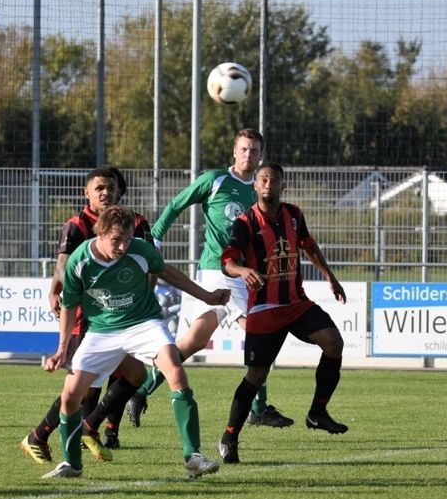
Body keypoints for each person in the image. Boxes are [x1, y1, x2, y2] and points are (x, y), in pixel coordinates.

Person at [39, 205, 227, 479]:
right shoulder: (80, 260)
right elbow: (69, 306)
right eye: (116, 239)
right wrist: (61, 350)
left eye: (127, 238)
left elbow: (168, 272)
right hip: (102, 331)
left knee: (175, 370)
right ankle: (72, 464)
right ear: (100, 234)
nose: (123, 245)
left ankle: (193, 456)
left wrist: (207, 296)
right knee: (70, 394)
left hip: (144, 323)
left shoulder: (139, 249)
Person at [127, 128, 293, 429]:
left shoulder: (260, 190)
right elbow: (176, 205)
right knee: (260, 331)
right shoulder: (214, 180)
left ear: (261, 155)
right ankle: (259, 407)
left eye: (254, 150)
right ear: (234, 151)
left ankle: (139, 392)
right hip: (217, 272)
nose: (248, 155)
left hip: (245, 275)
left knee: (193, 341)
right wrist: (155, 242)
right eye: (244, 149)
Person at [215, 162, 349, 464]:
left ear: (282, 186)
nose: (268, 185)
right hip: (264, 309)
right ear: (256, 186)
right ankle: (230, 436)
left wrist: (329, 276)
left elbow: (308, 245)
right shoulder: (245, 221)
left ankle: (317, 413)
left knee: (334, 343)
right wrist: (243, 269)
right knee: (256, 375)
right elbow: (228, 260)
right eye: (263, 179)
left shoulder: (294, 214)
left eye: (274, 180)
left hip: (296, 303)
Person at [19, 167, 152, 466]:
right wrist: (55, 287)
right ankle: (44, 435)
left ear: (120, 190)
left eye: (111, 187)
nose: (106, 192)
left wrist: (141, 306)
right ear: (87, 193)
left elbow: (150, 268)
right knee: (84, 387)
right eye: (100, 187)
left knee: (133, 375)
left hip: (124, 315)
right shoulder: (77, 224)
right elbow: (64, 267)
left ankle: (85, 428)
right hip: (89, 318)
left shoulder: (137, 223)